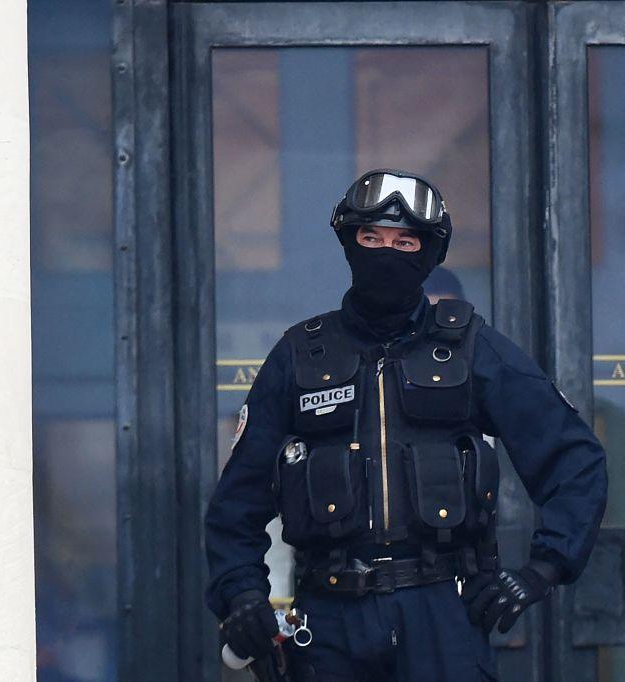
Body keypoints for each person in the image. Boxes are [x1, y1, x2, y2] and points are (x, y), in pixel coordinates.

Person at [204, 169, 608, 681]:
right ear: (350, 245)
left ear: (429, 253)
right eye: (371, 238)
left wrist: (543, 569)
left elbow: (575, 460)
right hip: (329, 622)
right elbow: (234, 506)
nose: (385, 252)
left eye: (403, 240)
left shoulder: (471, 349)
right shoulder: (300, 355)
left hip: (444, 616)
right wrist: (241, 594)